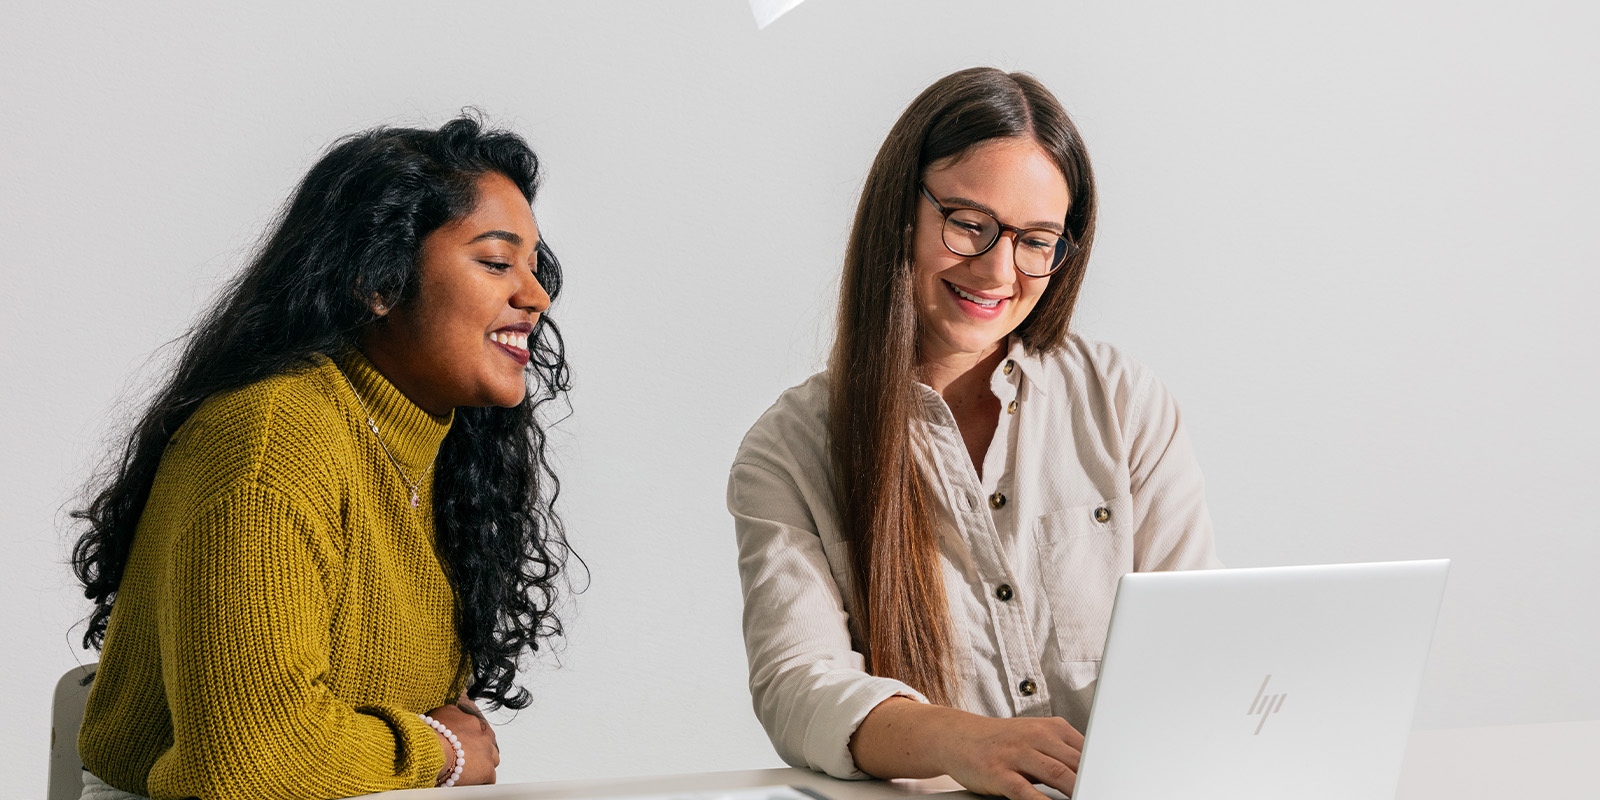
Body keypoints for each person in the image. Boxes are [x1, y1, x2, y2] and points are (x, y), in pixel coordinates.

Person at [728, 68, 1221, 800]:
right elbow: (798, 688)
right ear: (903, 213)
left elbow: (1199, 642)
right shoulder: (790, 452)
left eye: (1036, 241)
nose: (998, 270)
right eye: (968, 224)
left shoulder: (1122, 402)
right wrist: (963, 741)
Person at [69, 115, 574, 799]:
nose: (535, 296)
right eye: (494, 261)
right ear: (379, 281)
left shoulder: (439, 458)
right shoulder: (271, 442)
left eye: (533, 268)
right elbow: (251, 760)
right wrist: (438, 749)